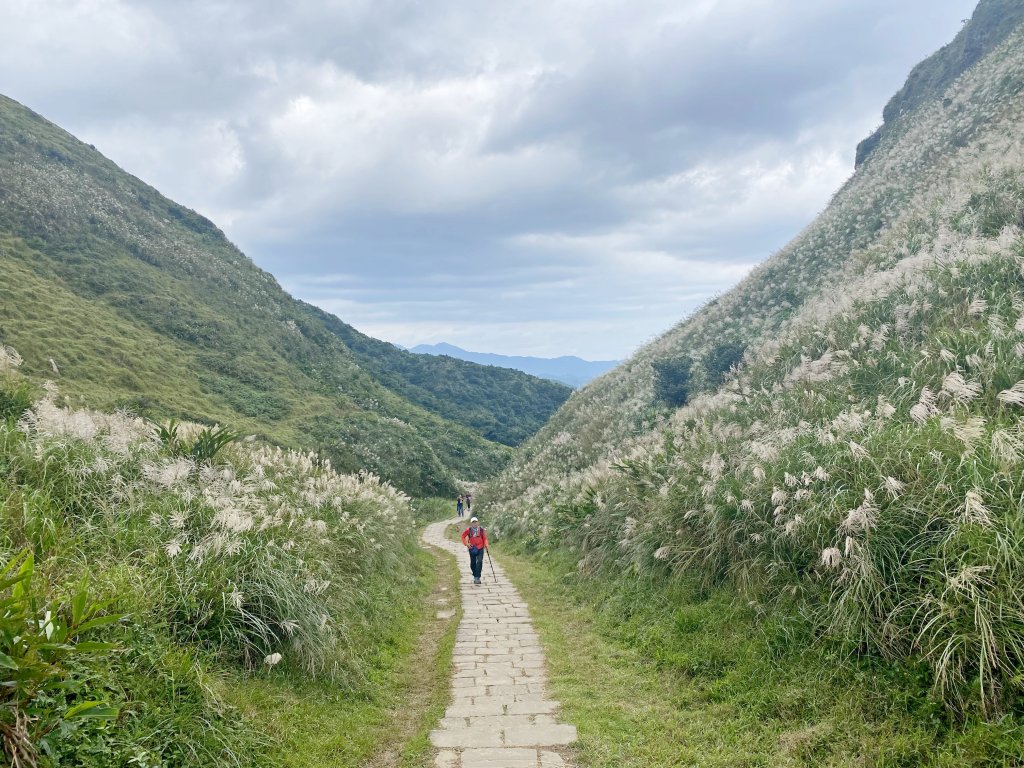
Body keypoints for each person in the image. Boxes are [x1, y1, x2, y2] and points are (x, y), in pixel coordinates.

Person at [461, 516, 488, 585]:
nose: (474, 523)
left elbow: (485, 538)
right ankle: (475, 574)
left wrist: (486, 544)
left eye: (475, 522)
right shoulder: (468, 530)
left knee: (479, 561)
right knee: (472, 563)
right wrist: (466, 544)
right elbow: (463, 536)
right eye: (473, 522)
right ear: (471, 523)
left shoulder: (481, 530)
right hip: (472, 548)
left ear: (477, 522)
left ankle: (477, 578)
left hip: (480, 548)